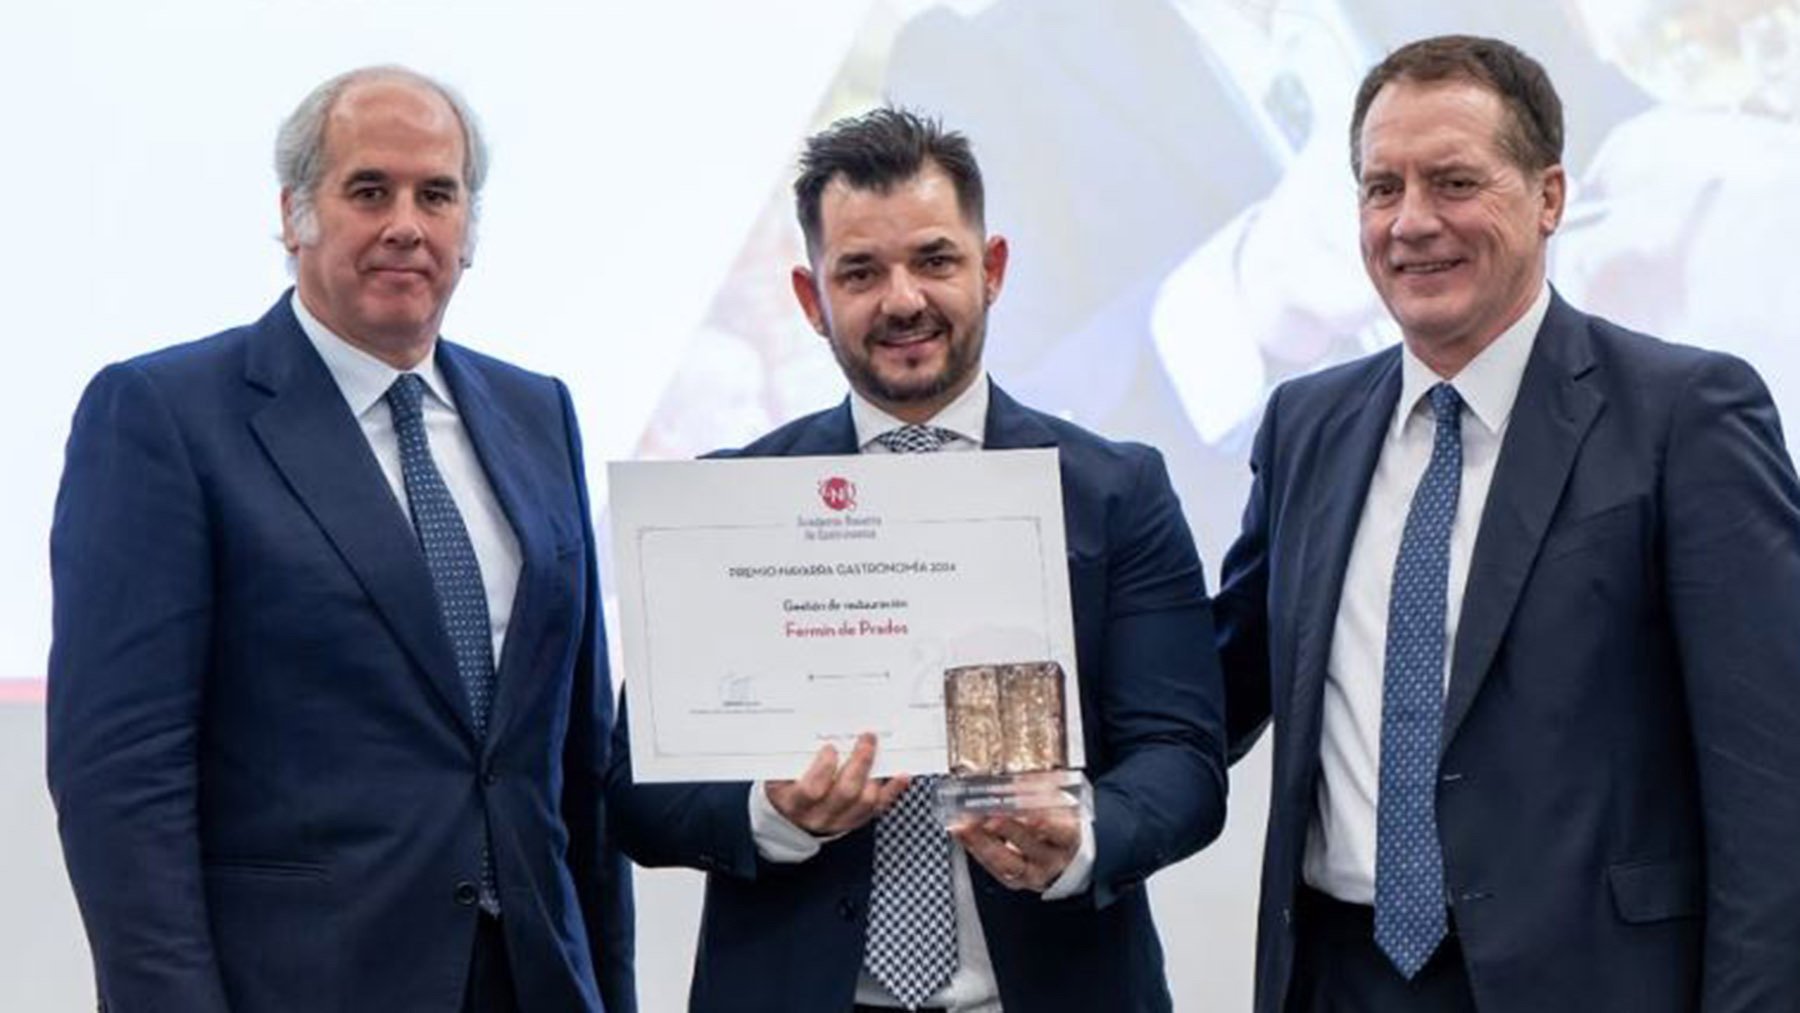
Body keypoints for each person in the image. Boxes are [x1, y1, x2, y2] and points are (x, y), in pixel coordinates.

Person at [1215, 34, 1800, 1012]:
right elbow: (1216, 682)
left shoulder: (1686, 414)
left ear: (1550, 197)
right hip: (1339, 979)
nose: (1411, 223)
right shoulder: (1305, 425)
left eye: (1453, 182)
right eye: (1380, 187)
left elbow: (1772, 783)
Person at [606, 108, 1228, 1013]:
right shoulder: (727, 505)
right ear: (811, 298)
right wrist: (768, 813)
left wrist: (1082, 838)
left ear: (994, 269)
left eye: (935, 259)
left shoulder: (1117, 492)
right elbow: (637, 787)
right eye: (860, 271)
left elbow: (1183, 759)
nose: (903, 299)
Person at [46, 66, 634, 1013]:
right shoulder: (164, 416)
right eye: (370, 191)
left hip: (532, 979)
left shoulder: (539, 413)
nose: (407, 222)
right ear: (295, 214)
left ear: (467, 229)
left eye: (436, 194)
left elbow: (576, 766)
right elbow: (120, 780)